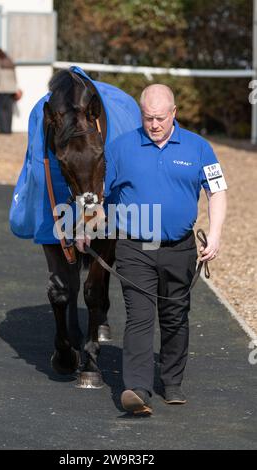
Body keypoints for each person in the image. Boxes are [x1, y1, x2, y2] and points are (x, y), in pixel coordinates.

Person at [102, 84, 227, 415]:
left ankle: (172, 381)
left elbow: (217, 192)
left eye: (160, 117)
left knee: (174, 317)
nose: (154, 124)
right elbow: (95, 193)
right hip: (135, 247)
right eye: (147, 117)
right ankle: (137, 389)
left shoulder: (199, 148)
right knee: (140, 317)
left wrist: (214, 235)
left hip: (180, 248)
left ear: (174, 113)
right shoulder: (120, 148)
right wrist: (86, 227)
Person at [0, 48, 18, 134]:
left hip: (1, 89)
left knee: (1, 109)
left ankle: (3, 129)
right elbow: (14, 76)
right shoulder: (10, 61)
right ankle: (8, 129)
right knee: (9, 110)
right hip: (11, 89)